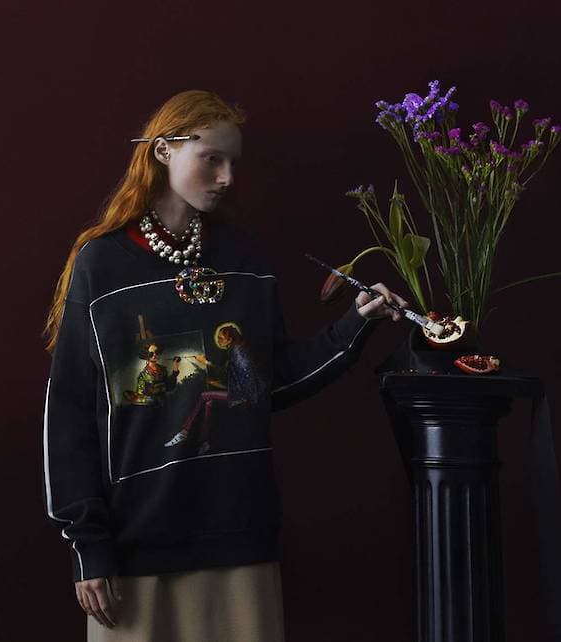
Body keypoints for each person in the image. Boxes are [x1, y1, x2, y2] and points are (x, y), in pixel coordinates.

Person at [42, 89, 408, 641]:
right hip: (135, 547)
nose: (227, 177)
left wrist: (356, 323)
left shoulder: (246, 258)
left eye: (233, 161)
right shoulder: (101, 265)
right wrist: (87, 544)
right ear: (164, 151)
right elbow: (69, 412)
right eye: (211, 158)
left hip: (240, 536)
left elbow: (263, 385)